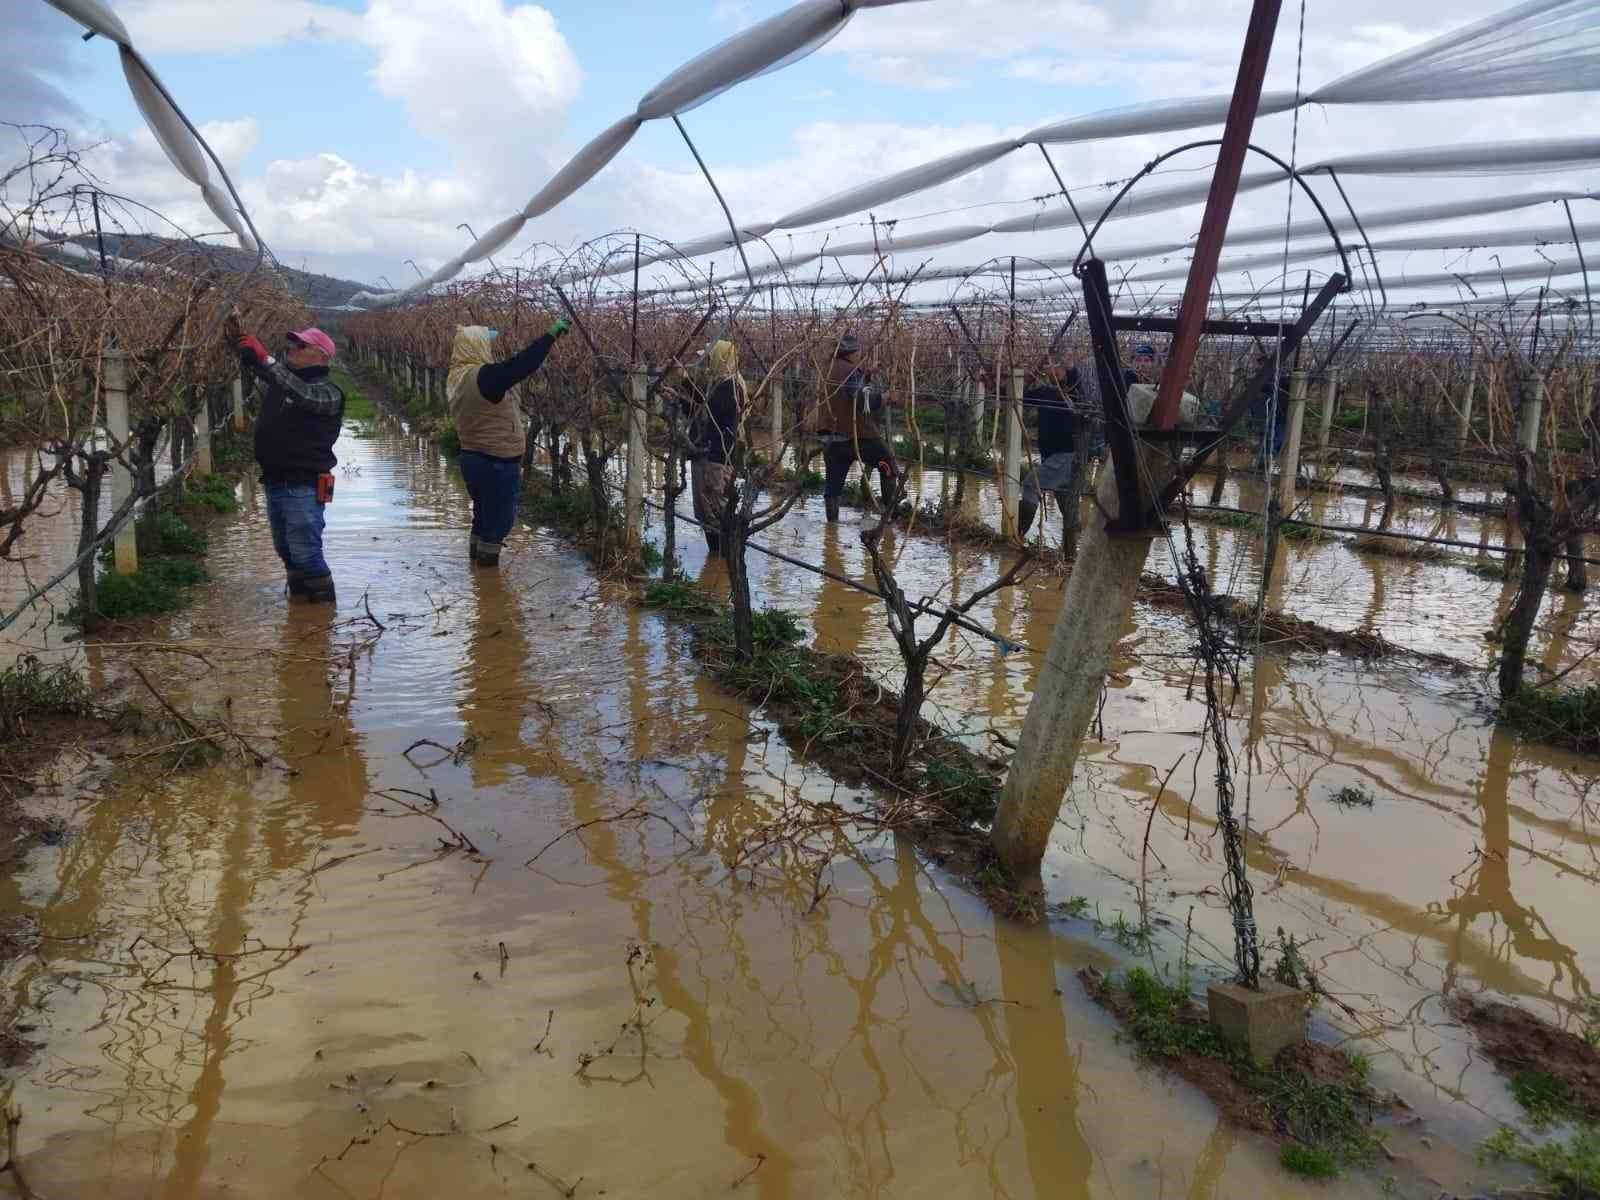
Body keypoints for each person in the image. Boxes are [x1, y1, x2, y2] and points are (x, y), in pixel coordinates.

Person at [229, 308, 344, 604]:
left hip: (304, 483)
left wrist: (265, 359)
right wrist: (243, 349)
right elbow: (277, 378)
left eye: (301, 346)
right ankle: (302, 617)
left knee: (306, 552)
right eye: (293, 344)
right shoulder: (285, 383)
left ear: (321, 356)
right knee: (287, 552)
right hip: (275, 482)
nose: (293, 349)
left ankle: (322, 624)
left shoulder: (328, 392)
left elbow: (301, 393)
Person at [447, 317, 571, 567]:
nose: (490, 347)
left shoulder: (457, 376)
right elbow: (521, 365)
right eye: (486, 342)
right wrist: (549, 337)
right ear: (475, 346)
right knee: (500, 522)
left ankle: (477, 575)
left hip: (472, 458)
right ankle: (488, 583)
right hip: (496, 463)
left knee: (482, 517)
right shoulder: (484, 377)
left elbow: (509, 368)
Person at [817, 333, 897, 523]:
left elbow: (849, 388)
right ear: (852, 352)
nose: (861, 353)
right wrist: (884, 398)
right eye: (859, 350)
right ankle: (890, 518)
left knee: (833, 485)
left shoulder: (829, 368)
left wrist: (866, 374)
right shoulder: (851, 371)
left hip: (830, 437)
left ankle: (832, 530)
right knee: (888, 465)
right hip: (856, 436)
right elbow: (862, 401)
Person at [684, 340, 745, 556]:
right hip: (706, 454)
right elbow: (698, 409)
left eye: (710, 358)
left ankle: (723, 561)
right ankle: (716, 559)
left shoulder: (732, 387)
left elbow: (710, 407)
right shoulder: (717, 384)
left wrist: (685, 381)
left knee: (715, 510)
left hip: (716, 457)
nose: (706, 363)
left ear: (721, 359)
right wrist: (681, 398)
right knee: (705, 511)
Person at [1017, 352, 1082, 540]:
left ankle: (1018, 536)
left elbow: (1077, 388)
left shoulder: (1072, 391)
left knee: (1031, 483)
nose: (1052, 370)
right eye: (1048, 366)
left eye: (1057, 366)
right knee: (1066, 504)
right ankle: (1073, 550)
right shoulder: (1044, 391)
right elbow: (1019, 397)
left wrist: (1071, 369)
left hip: (1065, 456)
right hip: (1053, 457)